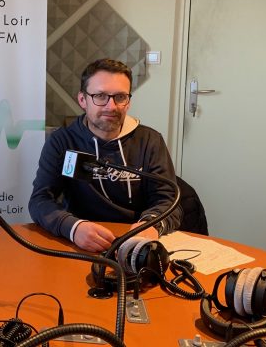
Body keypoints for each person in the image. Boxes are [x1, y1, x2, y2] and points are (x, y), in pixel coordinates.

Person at [29, 58, 182, 253]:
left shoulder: (150, 140)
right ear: (82, 100)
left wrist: (150, 226)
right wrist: (73, 228)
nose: (111, 106)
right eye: (100, 96)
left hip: (136, 245)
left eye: (120, 97)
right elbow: (40, 200)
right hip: (81, 244)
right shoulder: (62, 141)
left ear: (128, 102)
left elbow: (168, 201)